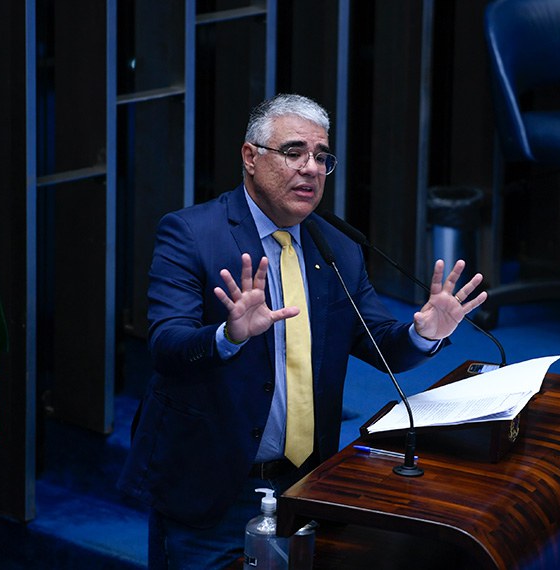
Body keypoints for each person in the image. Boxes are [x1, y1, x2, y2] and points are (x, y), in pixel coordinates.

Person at [119, 93, 487, 568]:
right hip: (211, 486)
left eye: (321, 157)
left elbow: (379, 343)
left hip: (304, 485)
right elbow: (166, 345)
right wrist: (228, 335)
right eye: (293, 152)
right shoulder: (192, 234)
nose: (311, 168)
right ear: (251, 157)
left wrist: (425, 333)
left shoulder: (337, 246)